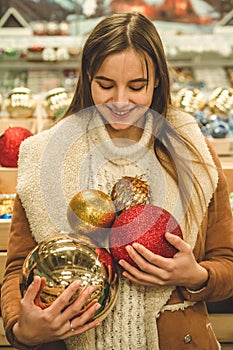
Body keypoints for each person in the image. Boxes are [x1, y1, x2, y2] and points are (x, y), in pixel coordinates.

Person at [1, 12, 233, 350]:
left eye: (137, 86)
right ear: (88, 78)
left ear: (157, 81)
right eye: (106, 85)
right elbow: (19, 267)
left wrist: (196, 277)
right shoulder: (42, 155)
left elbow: (226, 260)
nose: (121, 101)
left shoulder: (194, 152)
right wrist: (22, 330)